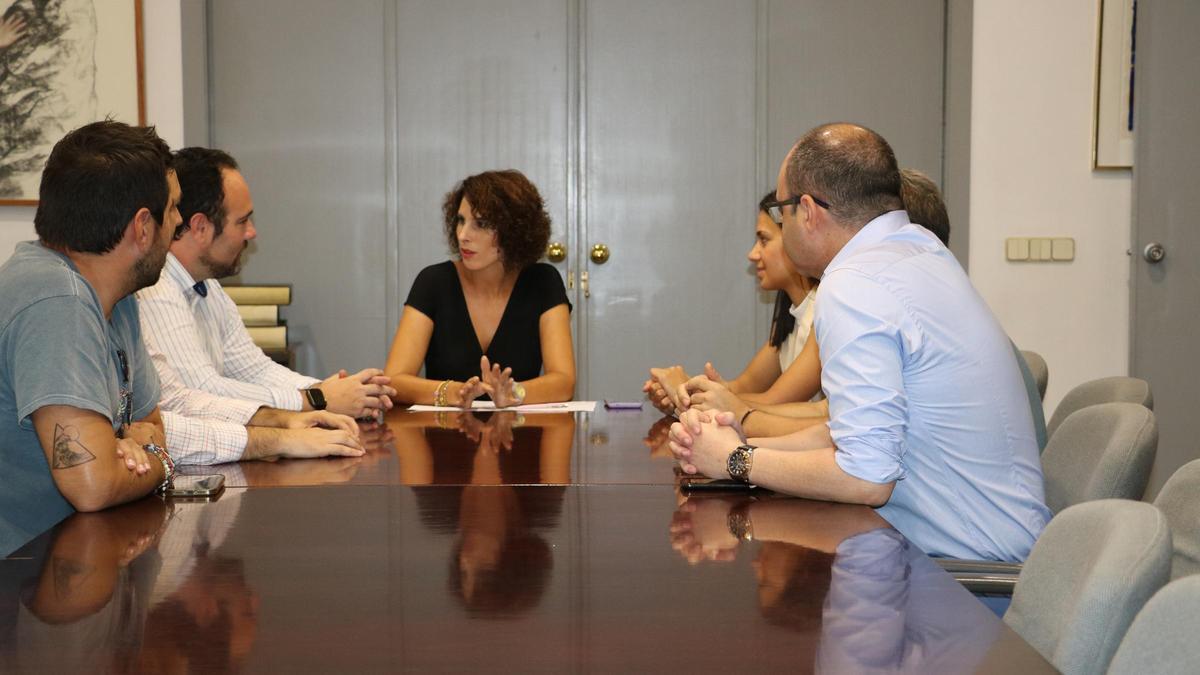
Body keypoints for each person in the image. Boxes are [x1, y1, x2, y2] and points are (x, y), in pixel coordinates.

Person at [670, 123, 1049, 562]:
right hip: (985, 553)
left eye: (782, 212)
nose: (782, 224)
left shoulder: (855, 283)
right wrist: (745, 446)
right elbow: (854, 433)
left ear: (808, 211)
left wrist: (737, 461)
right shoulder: (919, 250)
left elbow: (867, 478)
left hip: (965, 580)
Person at [0, 121, 179, 545]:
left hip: (70, 552)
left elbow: (151, 422)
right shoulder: (56, 300)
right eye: (173, 209)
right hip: (20, 584)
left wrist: (138, 447)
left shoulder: (115, 296)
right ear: (142, 227)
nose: (180, 223)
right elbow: (92, 485)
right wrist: (161, 461)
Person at [137, 147, 396, 421]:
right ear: (200, 227)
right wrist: (320, 399)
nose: (252, 232)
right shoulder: (157, 287)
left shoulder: (208, 286)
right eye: (242, 221)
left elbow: (254, 369)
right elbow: (202, 390)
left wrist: (327, 390)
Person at [385, 170, 575, 407]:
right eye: (461, 221)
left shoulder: (543, 281)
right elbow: (394, 380)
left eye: (481, 224)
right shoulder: (434, 281)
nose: (463, 235)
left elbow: (564, 382)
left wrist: (515, 393)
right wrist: (454, 392)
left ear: (514, 230)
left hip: (521, 435)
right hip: (445, 436)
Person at [643, 191, 818, 414]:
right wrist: (686, 391)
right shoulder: (789, 313)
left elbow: (774, 402)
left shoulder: (823, 309)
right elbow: (741, 387)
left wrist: (686, 392)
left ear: (795, 238)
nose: (753, 254)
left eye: (763, 239)